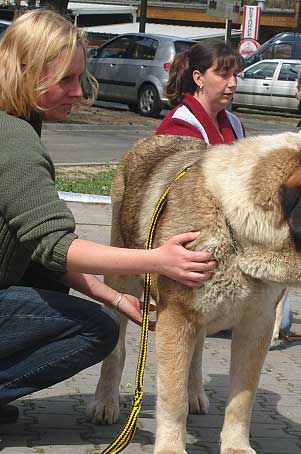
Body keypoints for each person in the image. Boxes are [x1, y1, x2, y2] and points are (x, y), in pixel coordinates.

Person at [0, 9, 216, 424]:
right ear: (24, 73)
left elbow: (40, 251)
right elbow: (58, 247)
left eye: (80, 78)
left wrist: (115, 295)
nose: (78, 91)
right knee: (97, 329)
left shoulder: (17, 125)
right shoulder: (15, 140)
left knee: (46, 282)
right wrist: (158, 260)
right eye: (64, 79)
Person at [156, 39, 245, 144]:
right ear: (198, 78)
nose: (233, 83)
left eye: (235, 75)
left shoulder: (235, 124)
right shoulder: (179, 123)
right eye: (223, 74)